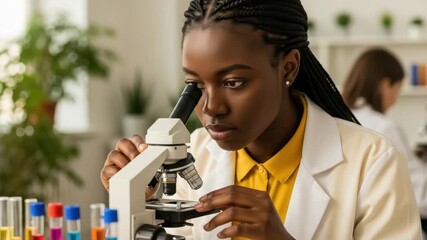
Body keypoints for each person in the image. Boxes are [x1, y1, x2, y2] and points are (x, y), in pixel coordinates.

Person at [101, 1, 422, 239]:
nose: (211, 108)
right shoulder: (192, 154)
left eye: (233, 82)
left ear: (288, 68)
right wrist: (131, 203)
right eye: (195, 85)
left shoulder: (373, 163)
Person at [342, 47, 427, 234]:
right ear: (384, 85)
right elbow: (419, 194)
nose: (395, 99)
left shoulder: (337, 118)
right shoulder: (384, 127)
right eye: (396, 90)